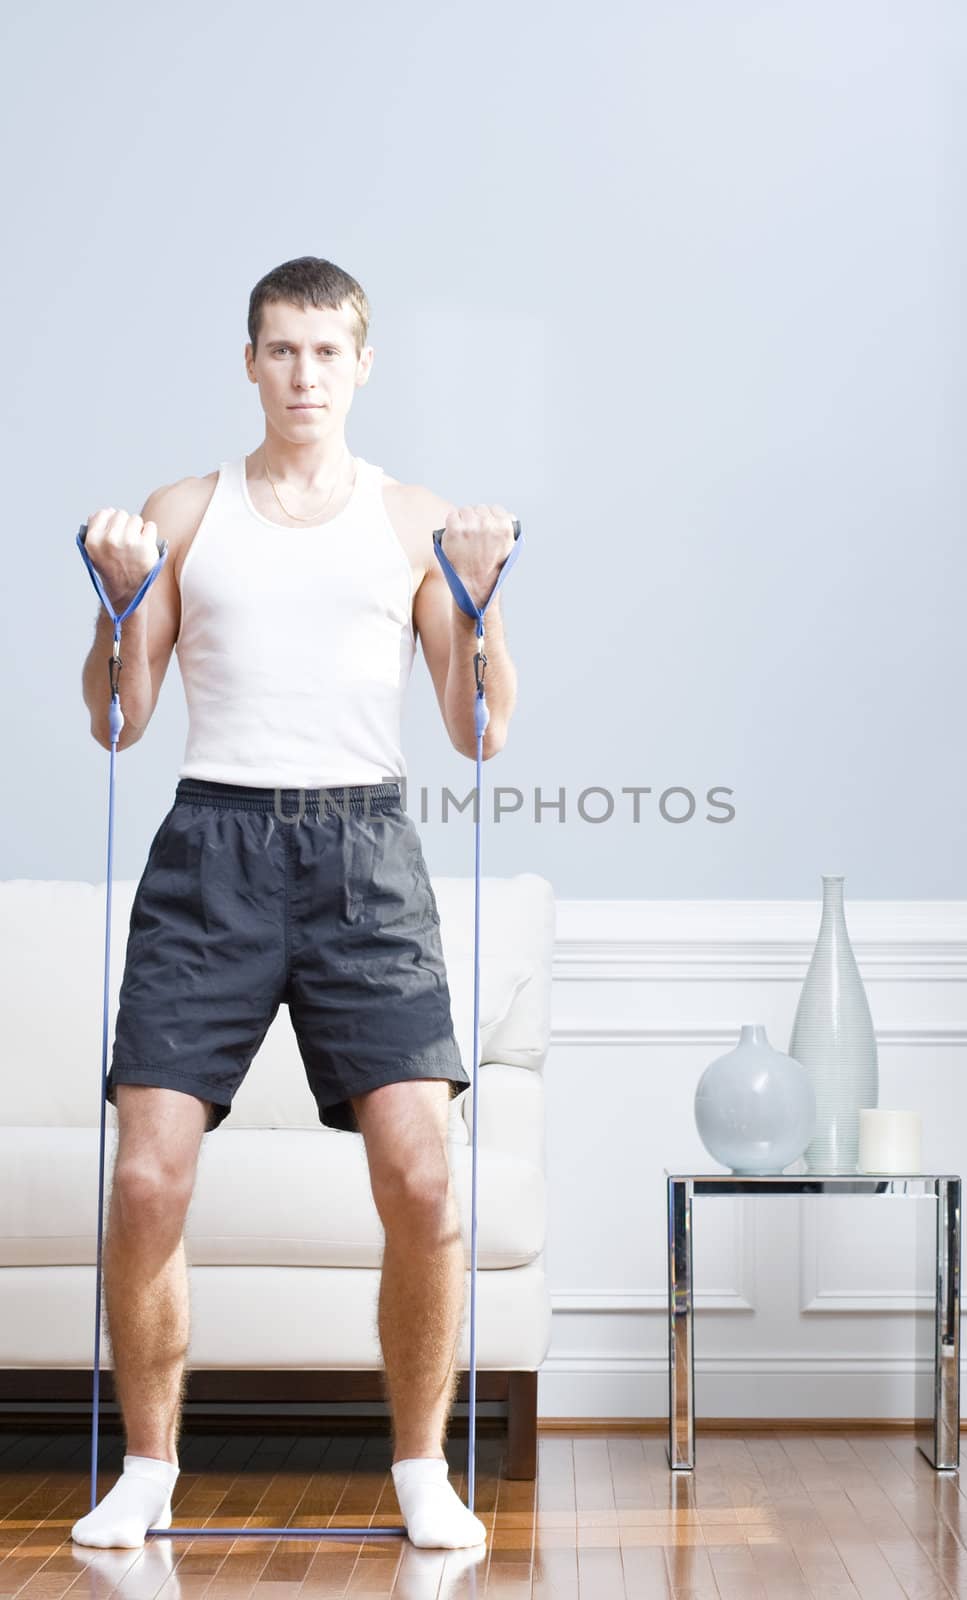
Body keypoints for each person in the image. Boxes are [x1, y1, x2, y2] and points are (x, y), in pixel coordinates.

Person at [71, 255, 518, 1551]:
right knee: (149, 1178)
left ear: (361, 363)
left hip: (360, 852)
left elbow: (477, 730)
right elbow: (117, 719)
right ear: (250, 361)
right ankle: (146, 1472)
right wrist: (110, 599)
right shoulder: (188, 512)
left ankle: (422, 1470)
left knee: (423, 1180)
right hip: (210, 843)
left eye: (326, 352)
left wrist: (484, 596)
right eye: (280, 350)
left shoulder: (409, 519)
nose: (303, 374)